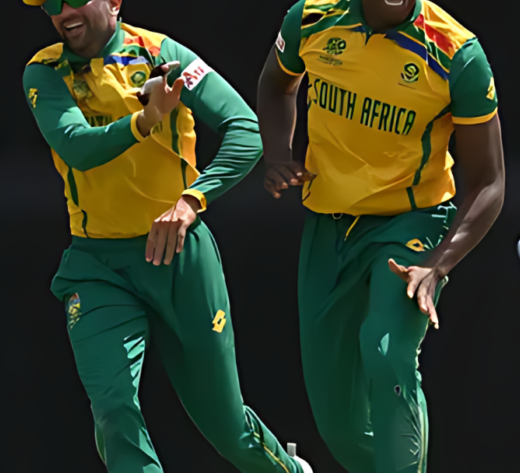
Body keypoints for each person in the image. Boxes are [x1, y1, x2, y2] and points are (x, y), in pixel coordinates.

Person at [22, 0, 312, 471]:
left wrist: (192, 200)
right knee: (113, 408)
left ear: (114, 2)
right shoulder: (45, 71)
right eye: (50, 4)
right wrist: (144, 121)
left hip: (179, 257)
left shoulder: (162, 55)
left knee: (226, 426)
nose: (62, 12)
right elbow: (75, 146)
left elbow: (247, 131)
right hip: (98, 266)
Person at [257, 0, 505, 471]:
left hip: (409, 226)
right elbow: (276, 83)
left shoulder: (456, 53)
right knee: (340, 425)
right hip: (329, 225)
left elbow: (490, 182)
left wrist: (439, 263)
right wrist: (276, 154)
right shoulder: (311, 18)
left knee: (387, 352)